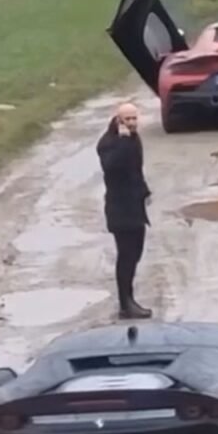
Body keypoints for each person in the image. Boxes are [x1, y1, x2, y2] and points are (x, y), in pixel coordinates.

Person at [96, 102, 153, 319]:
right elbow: (112, 167)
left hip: (135, 206)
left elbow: (135, 169)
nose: (131, 123)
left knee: (135, 254)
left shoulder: (132, 138)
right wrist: (122, 142)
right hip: (119, 209)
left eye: (134, 119)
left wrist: (144, 192)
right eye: (127, 119)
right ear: (117, 120)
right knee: (126, 256)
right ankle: (125, 304)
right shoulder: (109, 143)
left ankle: (129, 300)